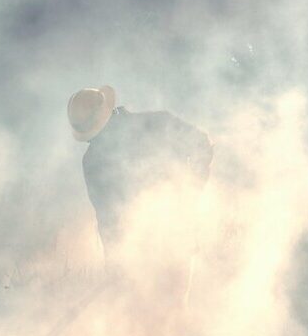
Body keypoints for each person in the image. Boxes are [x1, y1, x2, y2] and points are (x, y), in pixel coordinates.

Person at [67, 85, 212, 253]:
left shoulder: (92, 161)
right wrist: (194, 188)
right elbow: (201, 144)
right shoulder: (159, 121)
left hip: (152, 247)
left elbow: (107, 220)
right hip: (173, 238)